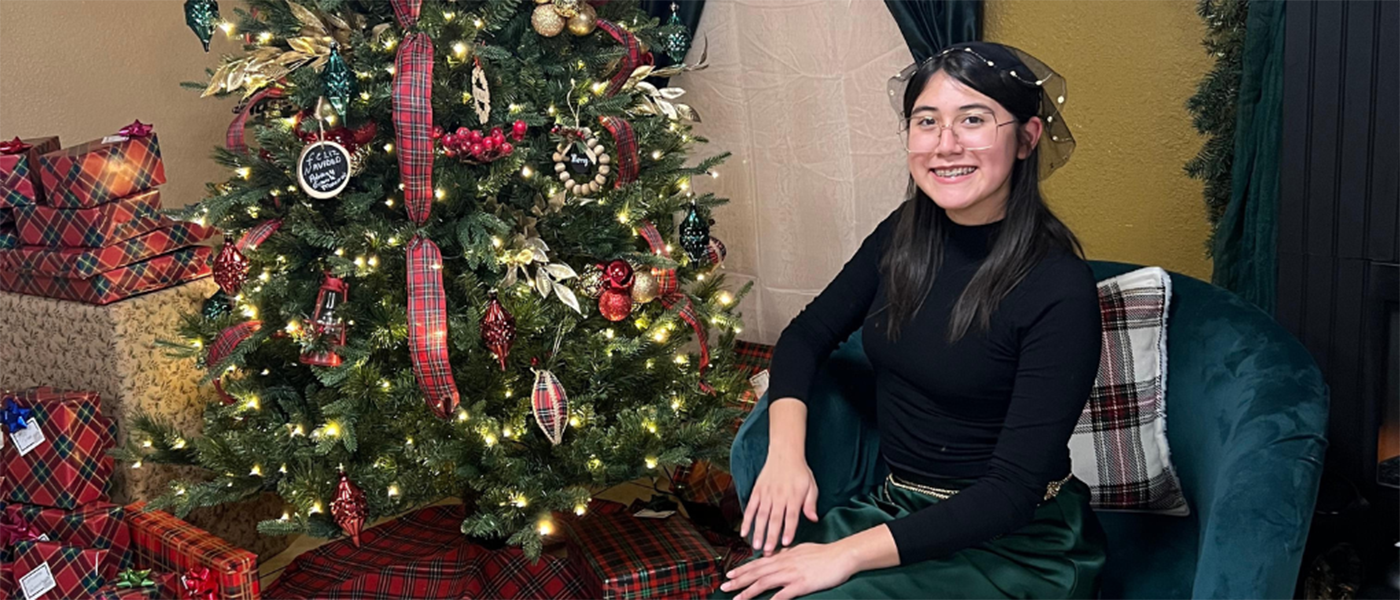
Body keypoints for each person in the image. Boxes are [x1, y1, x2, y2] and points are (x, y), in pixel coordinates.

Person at [713, 41, 1106, 600]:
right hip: (897, 509)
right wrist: (785, 454)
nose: (946, 145)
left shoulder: (1059, 287)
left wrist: (841, 556)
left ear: (1027, 138)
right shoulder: (902, 235)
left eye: (974, 119)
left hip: (1016, 542)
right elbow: (806, 336)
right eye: (927, 121)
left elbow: (1010, 493)